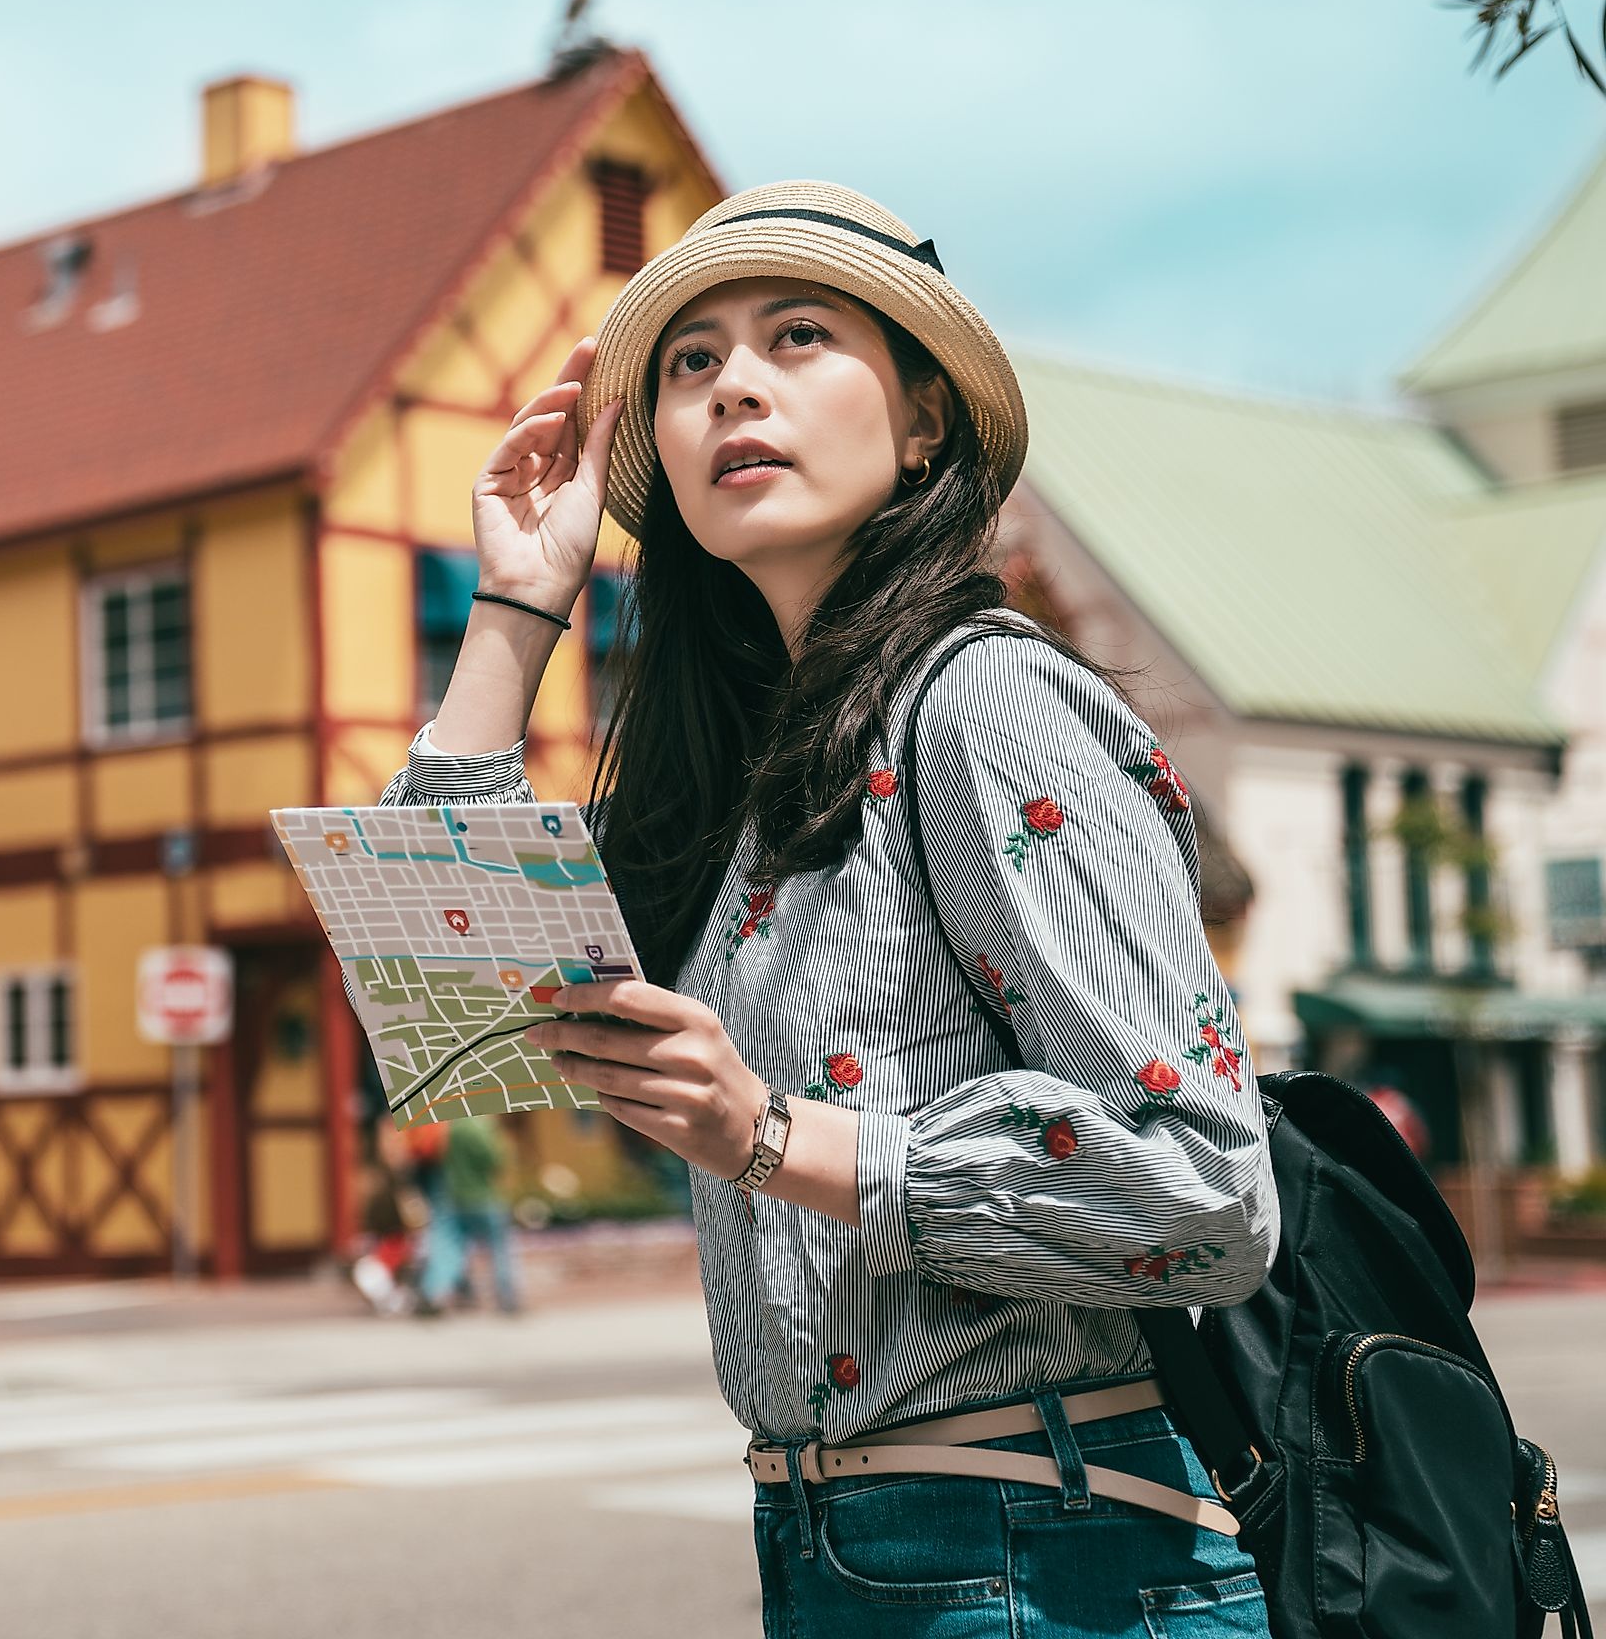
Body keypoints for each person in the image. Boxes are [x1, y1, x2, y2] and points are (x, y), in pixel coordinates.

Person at [378, 182, 1279, 1634]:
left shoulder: (986, 702)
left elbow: (1211, 1194)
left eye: (797, 337)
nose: (735, 381)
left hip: (1055, 1558)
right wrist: (518, 607)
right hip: (835, 1547)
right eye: (691, 363)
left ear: (922, 423)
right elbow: (449, 1002)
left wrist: (776, 1138)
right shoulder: (751, 786)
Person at [418, 1113, 521, 1317]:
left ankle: (435, 1293)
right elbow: (494, 1160)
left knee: (450, 1247)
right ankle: (507, 1296)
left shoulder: (450, 1127)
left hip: (455, 1196)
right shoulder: (480, 1127)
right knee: (499, 1248)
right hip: (483, 1196)